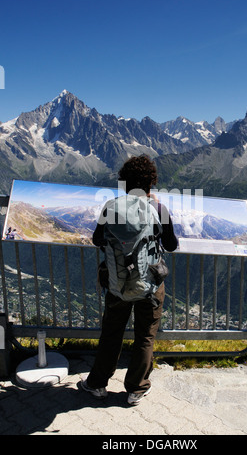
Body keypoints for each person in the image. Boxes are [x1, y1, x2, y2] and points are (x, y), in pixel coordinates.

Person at [81, 155, 178, 405]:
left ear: (124, 183)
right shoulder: (158, 209)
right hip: (150, 285)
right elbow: (171, 244)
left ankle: (97, 384)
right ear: (151, 183)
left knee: (111, 333)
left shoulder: (111, 207)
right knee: (145, 336)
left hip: (117, 283)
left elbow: (97, 240)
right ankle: (136, 388)